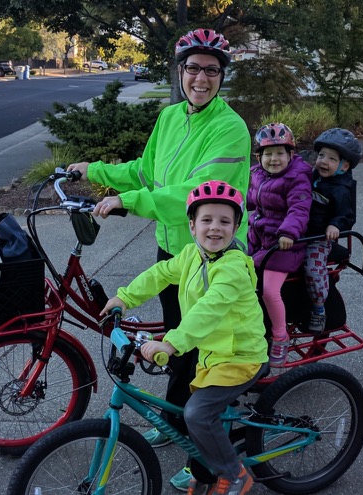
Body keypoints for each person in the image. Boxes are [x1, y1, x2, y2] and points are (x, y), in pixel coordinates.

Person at [68, 27, 251, 489]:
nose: (201, 78)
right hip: (175, 247)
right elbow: (145, 171)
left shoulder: (230, 128)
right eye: (193, 68)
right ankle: (180, 424)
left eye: (212, 70)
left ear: (221, 76)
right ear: (181, 71)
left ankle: (209, 452)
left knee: (201, 345)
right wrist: (97, 171)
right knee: (178, 339)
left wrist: (130, 201)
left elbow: (199, 196)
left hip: (215, 251)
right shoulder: (170, 116)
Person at [101, 181, 268, 495]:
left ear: (236, 227)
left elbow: (208, 309)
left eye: (224, 221)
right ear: (192, 226)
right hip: (211, 353)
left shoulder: (232, 268)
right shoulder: (193, 254)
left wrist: (171, 343)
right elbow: (161, 272)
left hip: (239, 357)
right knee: (195, 412)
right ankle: (206, 472)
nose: (214, 228)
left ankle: (234, 475)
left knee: (197, 413)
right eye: (206, 220)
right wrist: (124, 298)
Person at [247, 123, 312, 367]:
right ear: (259, 157)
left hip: (284, 247)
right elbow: (249, 201)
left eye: (280, 153)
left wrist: (288, 232)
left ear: (291, 155)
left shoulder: (297, 177)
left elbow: (300, 208)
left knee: (268, 291)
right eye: (268, 154)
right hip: (258, 240)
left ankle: (280, 336)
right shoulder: (258, 174)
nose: (274, 159)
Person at [304, 128, 361, 334]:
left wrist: (335, 225)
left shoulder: (340, 190)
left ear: (344, 166)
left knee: (313, 269)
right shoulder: (312, 177)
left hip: (319, 239)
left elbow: (347, 215)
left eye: (331, 158)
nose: (323, 161)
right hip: (299, 232)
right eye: (321, 155)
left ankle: (319, 309)